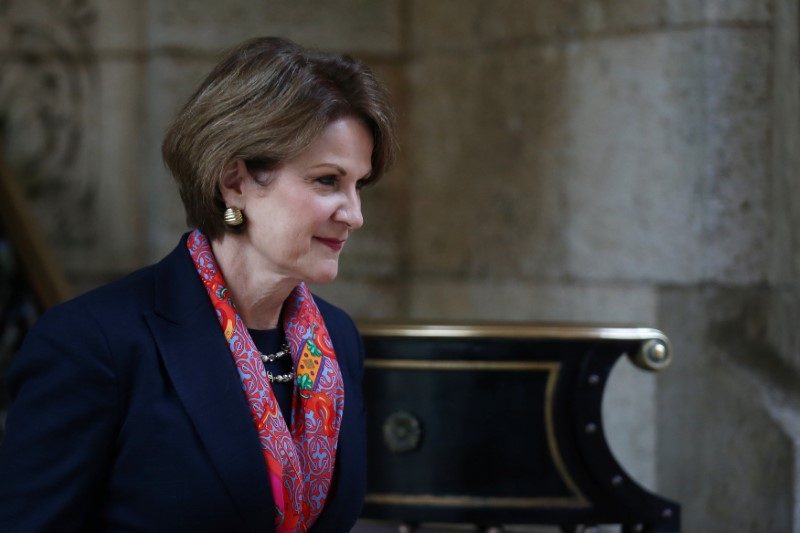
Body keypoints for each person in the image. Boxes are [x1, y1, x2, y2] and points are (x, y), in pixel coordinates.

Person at [0, 36, 396, 532]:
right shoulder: (92, 343)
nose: (354, 215)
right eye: (326, 181)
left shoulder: (338, 340)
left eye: (358, 185)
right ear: (235, 182)